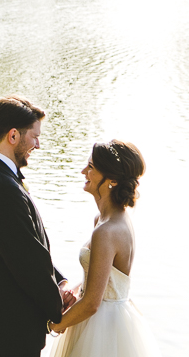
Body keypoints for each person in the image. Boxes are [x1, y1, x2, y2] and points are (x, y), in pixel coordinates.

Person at [0, 96, 75, 357]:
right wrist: (59, 309)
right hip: (2, 331)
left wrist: (60, 281)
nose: (38, 144)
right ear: (13, 136)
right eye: (34, 136)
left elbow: (22, 247)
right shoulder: (0, 187)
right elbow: (26, 263)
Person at [48, 140, 161, 357]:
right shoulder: (105, 220)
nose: (84, 171)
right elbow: (106, 279)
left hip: (103, 328)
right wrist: (73, 292)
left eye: (90, 167)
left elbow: (92, 303)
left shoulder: (107, 231)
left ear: (112, 180)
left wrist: (53, 325)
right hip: (104, 317)